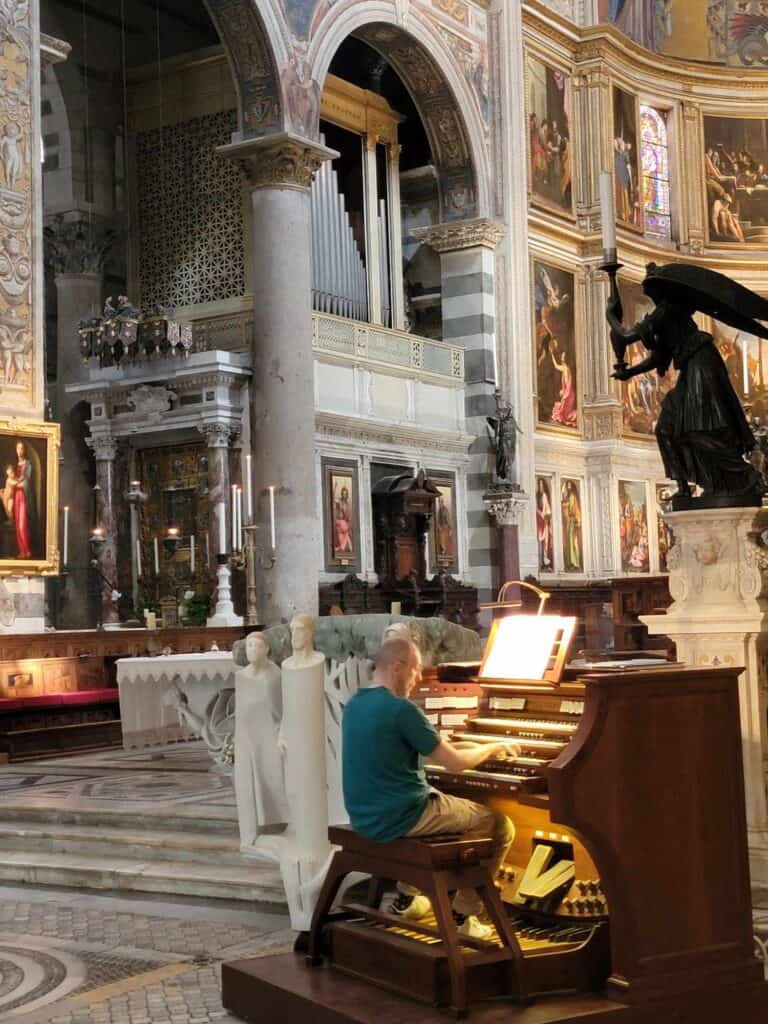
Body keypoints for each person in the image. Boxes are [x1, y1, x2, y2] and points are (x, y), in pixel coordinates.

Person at [342, 636, 519, 941]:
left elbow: (433, 748)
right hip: (403, 817)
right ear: (397, 668)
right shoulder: (400, 709)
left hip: (365, 816)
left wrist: (478, 744)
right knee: (500, 825)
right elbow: (456, 764)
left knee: (451, 804)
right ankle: (464, 914)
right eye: (415, 670)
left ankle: (409, 897)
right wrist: (494, 747)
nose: (419, 678)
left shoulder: (357, 703)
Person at [13, 441, 32, 559]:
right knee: (17, 525)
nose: (19, 451)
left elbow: (27, 481)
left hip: (23, 496)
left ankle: (27, 550)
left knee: (22, 525)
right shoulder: (15, 465)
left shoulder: (28, 464)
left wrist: (16, 484)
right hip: (16, 496)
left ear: (24, 450)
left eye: (21, 448)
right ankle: (21, 551)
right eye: (18, 448)